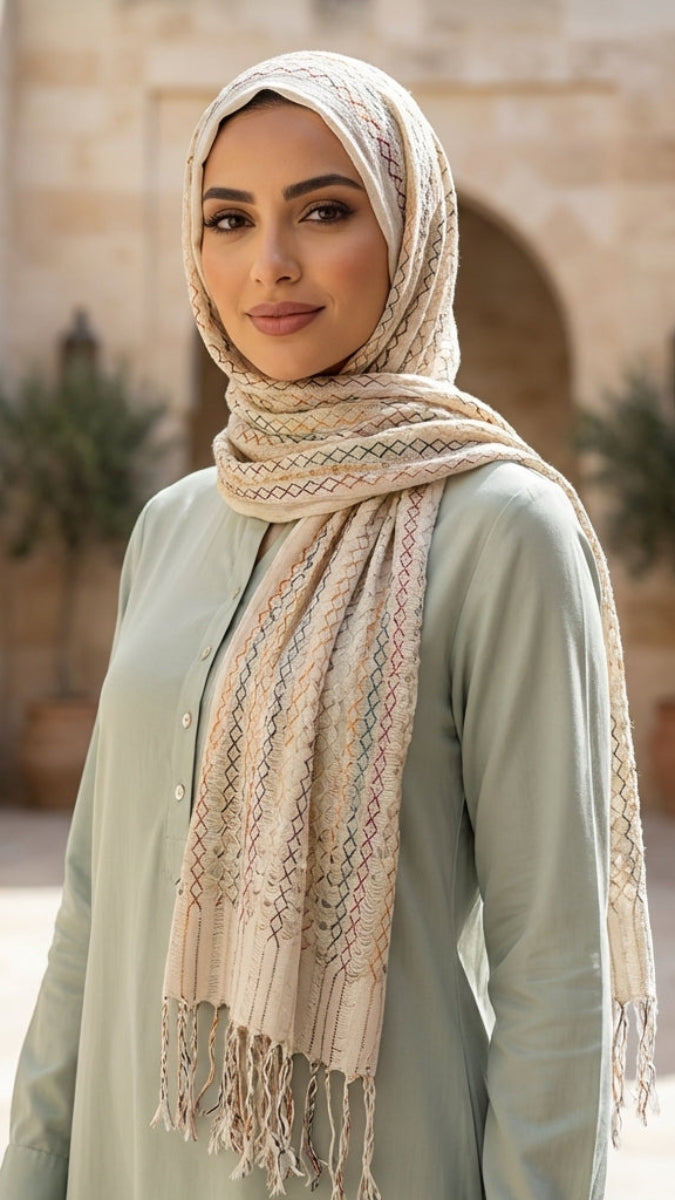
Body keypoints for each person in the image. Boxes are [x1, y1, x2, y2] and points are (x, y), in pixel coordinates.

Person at [0, 50, 657, 1200]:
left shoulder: (505, 529)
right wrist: (34, 1165)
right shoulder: (172, 525)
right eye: (228, 217)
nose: (271, 264)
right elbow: (94, 906)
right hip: (125, 1155)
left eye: (325, 208)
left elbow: (554, 964)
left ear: (411, 233)